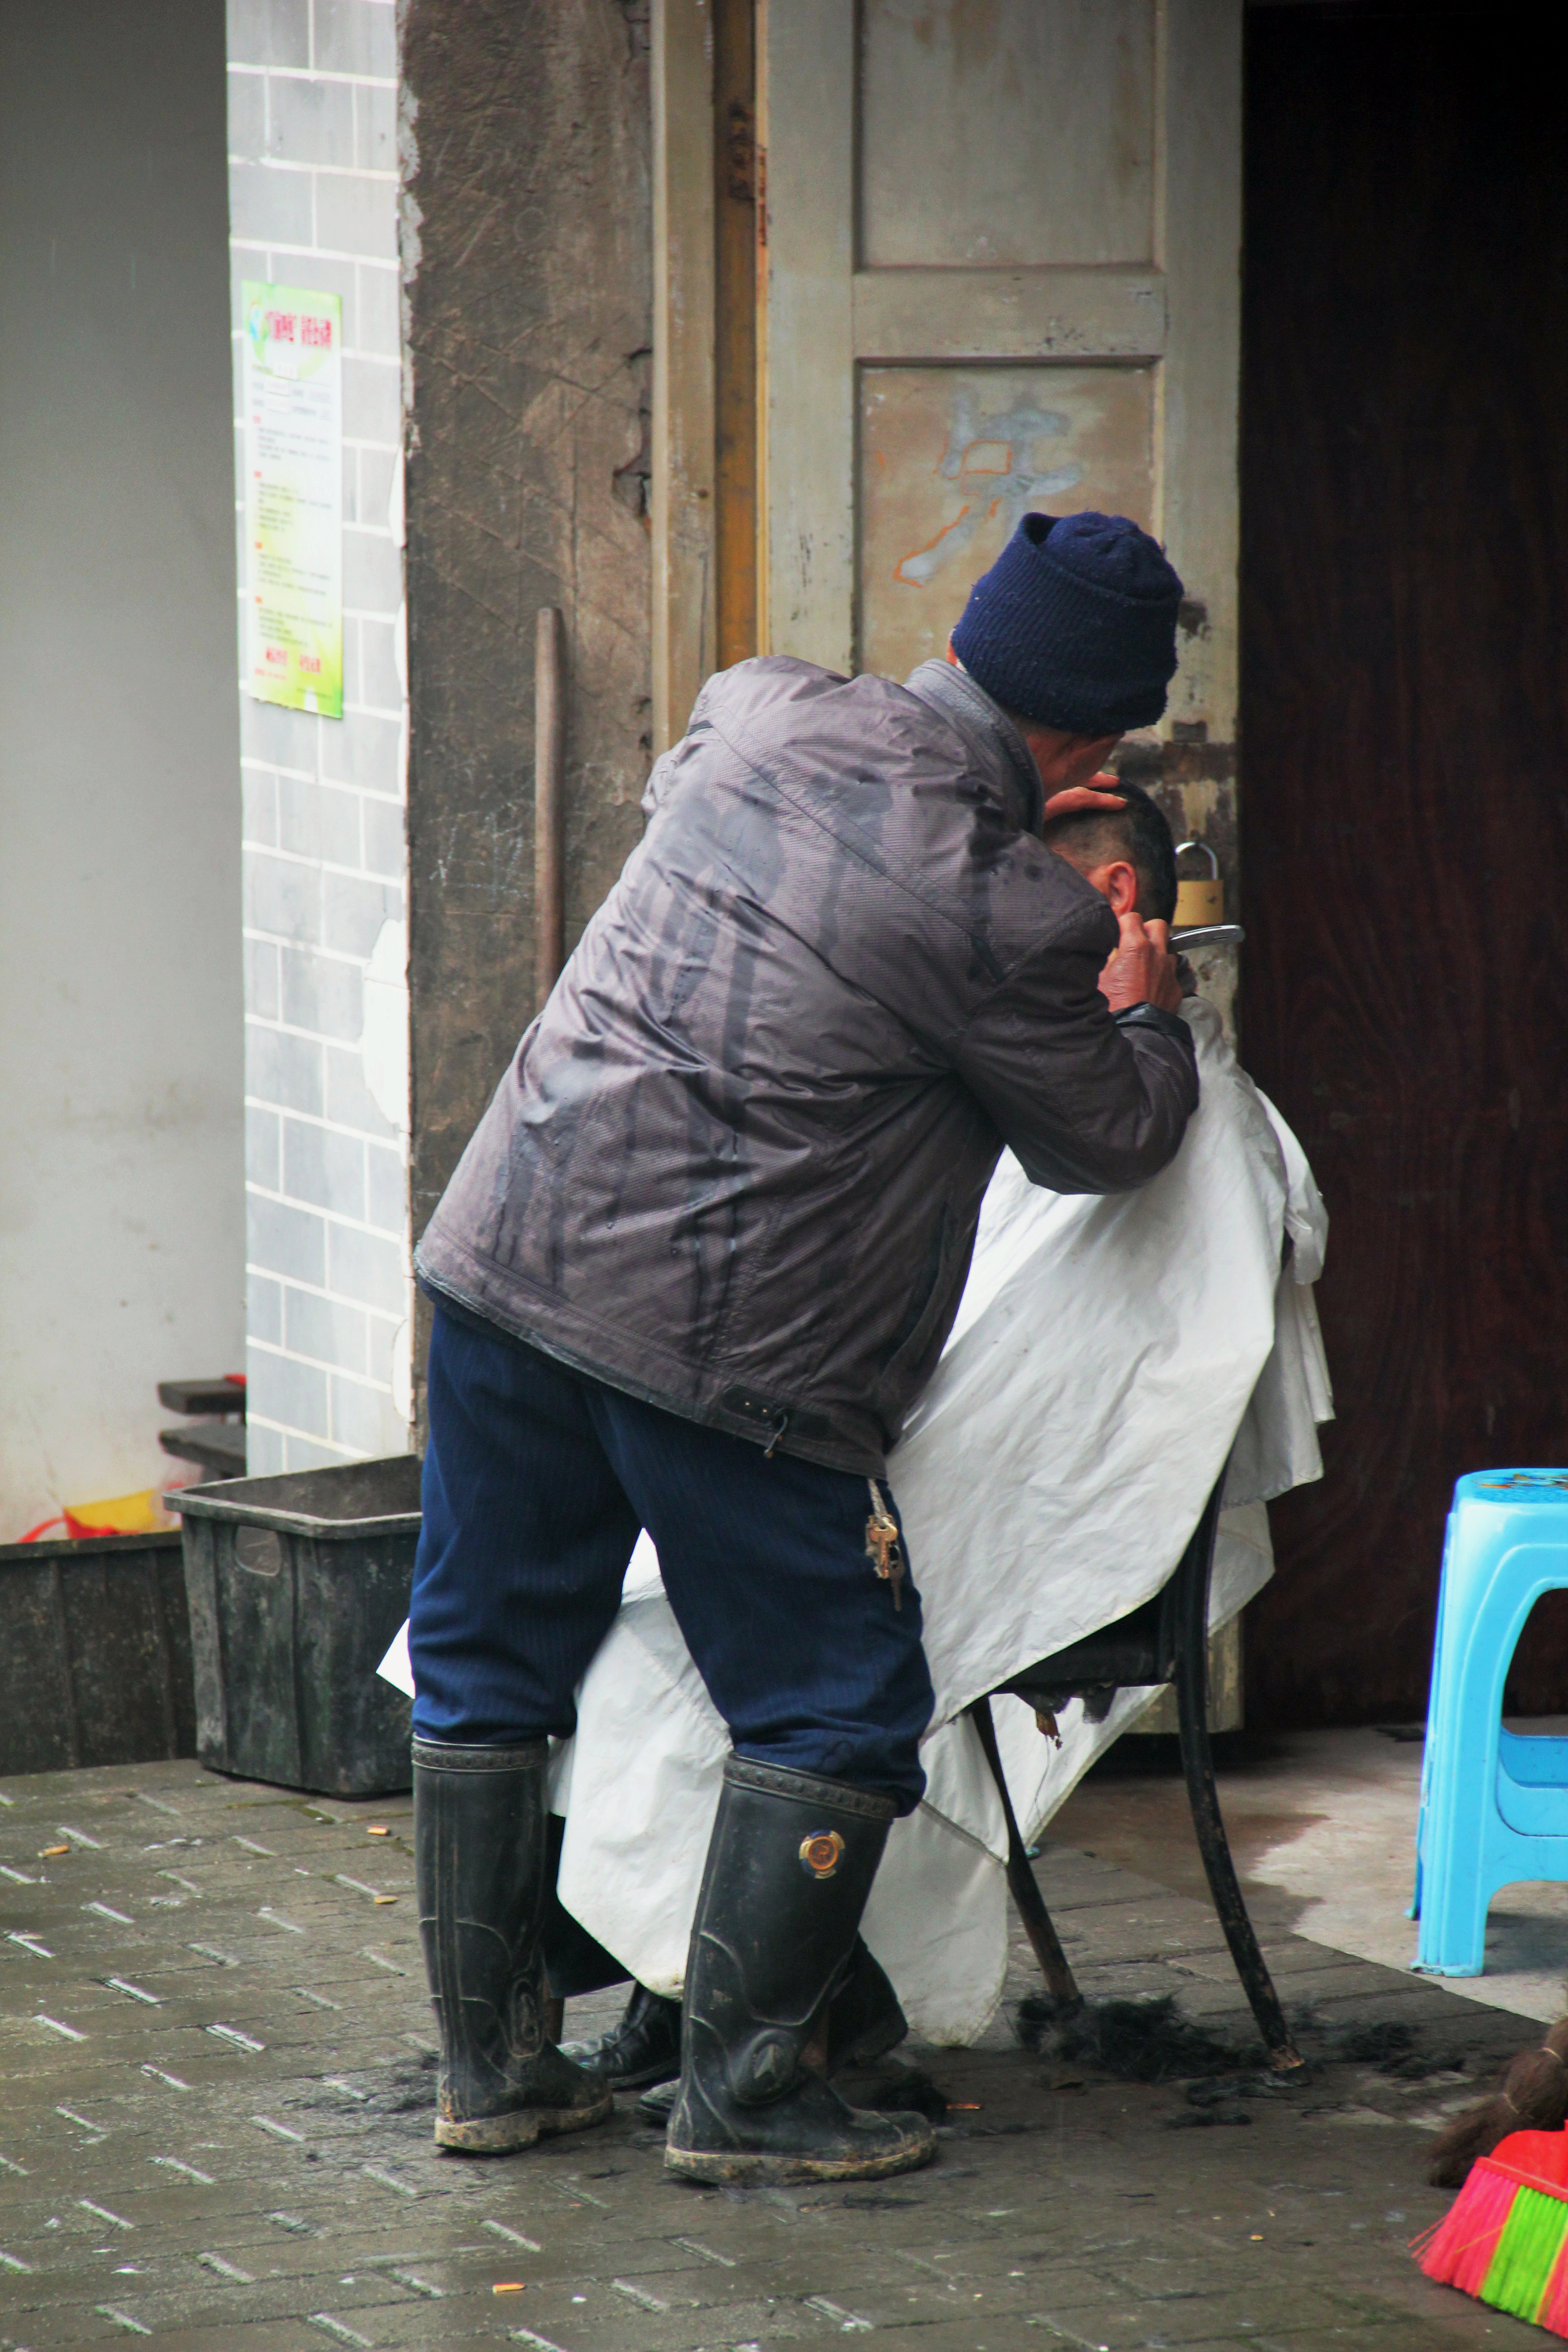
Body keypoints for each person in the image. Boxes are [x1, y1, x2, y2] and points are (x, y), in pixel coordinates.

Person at [407, 509, 1199, 2186]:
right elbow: (1106, 1144)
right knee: (837, 1702)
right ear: (1097, 743)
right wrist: (1141, 1003)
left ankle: (490, 2073)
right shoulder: (1012, 916)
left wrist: (981, 799)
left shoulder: (752, 707)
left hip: (504, 1252)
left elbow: (790, 847)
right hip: (721, 1343)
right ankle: (746, 2098)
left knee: (487, 1657)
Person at [549, 771, 1191, 2105]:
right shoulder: (982, 1029)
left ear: (1113, 899)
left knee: (656, 1630)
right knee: (590, 1608)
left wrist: (1150, 1042)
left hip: (960, 1489)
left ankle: (755, 2028)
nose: (977, 915)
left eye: (1016, 879)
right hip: (846, 1429)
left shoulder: (1178, 1110)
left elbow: (1113, 1387)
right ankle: (703, 1996)